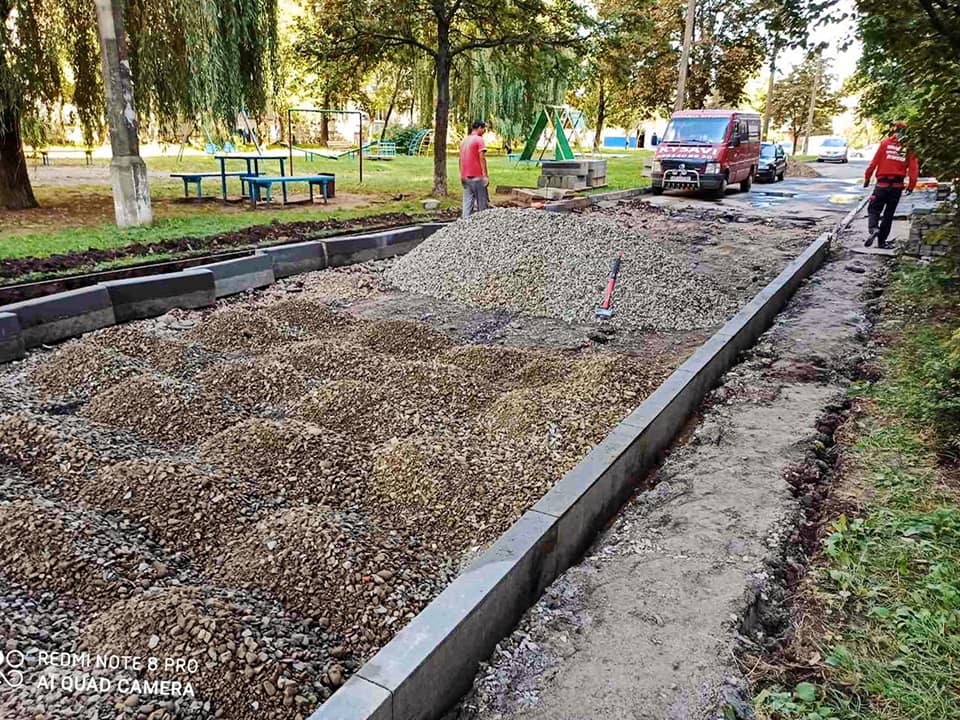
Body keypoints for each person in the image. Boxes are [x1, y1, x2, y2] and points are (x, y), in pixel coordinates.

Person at [863, 121, 919, 248]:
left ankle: (873, 229)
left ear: (894, 130)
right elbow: (913, 169)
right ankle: (881, 242)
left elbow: (873, 163)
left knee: (873, 209)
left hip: (882, 185)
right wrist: (911, 186)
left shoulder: (885, 143)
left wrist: (867, 178)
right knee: (889, 214)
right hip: (897, 187)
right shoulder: (909, 148)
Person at [459, 120, 490, 219]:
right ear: (480, 128)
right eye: (484, 128)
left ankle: (465, 224)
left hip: (465, 177)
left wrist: (462, 175)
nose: (484, 131)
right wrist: (485, 176)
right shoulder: (479, 140)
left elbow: (460, 159)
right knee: (482, 205)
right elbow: (482, 158)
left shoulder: (464, 141)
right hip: (477, 177)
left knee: (467, 204)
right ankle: (482, 227)